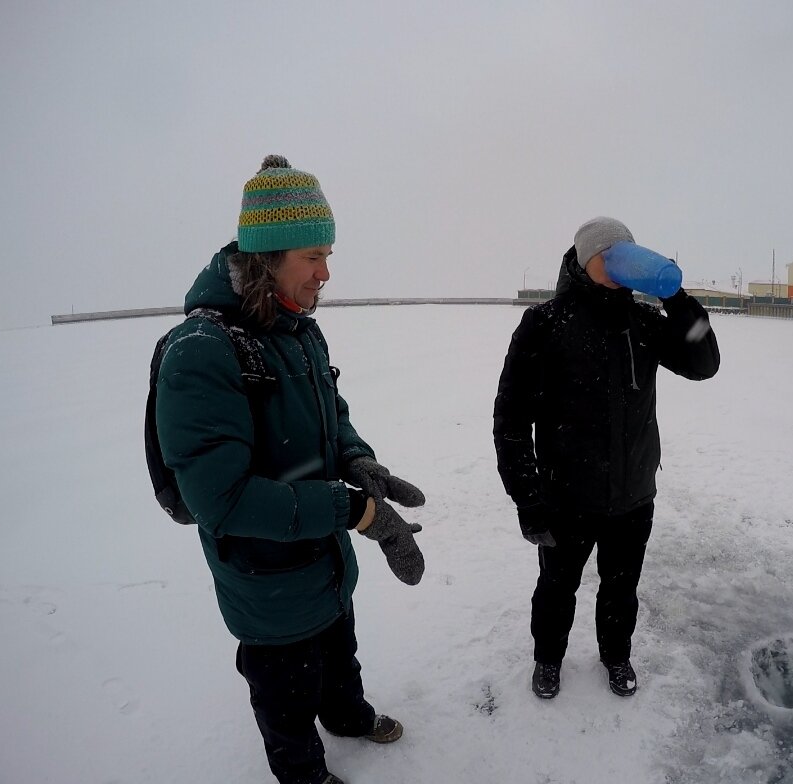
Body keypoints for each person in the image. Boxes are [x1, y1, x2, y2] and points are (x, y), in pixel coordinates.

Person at [155, 155, 426, 784]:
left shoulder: (298, 328)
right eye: (313, 257)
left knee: (338, 652)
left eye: (328, 255)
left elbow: (330, 410)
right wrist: (356, 512)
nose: (326, 273)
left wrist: (359, 462)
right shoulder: (200, 353)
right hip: (265, 579)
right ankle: (303, 773)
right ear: (267, 255)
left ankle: (349, 716)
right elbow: (224, 498)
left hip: (322, 557)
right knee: (284, 695)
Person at [493, 217, 720, 699]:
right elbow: (511, 420)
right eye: (611, 252)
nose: (621, 261)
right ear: (586, 258)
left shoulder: (642, 322)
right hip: (565, 497)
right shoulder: (545, 323)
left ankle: (616, 655)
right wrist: (528, 500)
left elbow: (705, 363)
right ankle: (547, 659)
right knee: (556, 588)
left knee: (621, 589)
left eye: (627, 253)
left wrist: (676, 299)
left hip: (634, 494)